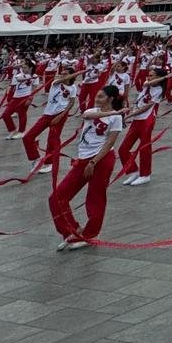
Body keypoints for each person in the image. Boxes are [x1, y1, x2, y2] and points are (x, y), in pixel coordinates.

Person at [49, 83, 125, 250]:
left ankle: (90, 234)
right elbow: (85, 115)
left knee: (95, 198)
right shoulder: (94, 111)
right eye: (97, 96)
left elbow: (110, 143)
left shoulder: (117, 119)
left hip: (101, 160)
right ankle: (71, 231)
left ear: (111, 99)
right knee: (57, 197)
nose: (97, 99)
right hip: (83, 159)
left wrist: (93, 162)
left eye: (101, 97)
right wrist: (114, 112)